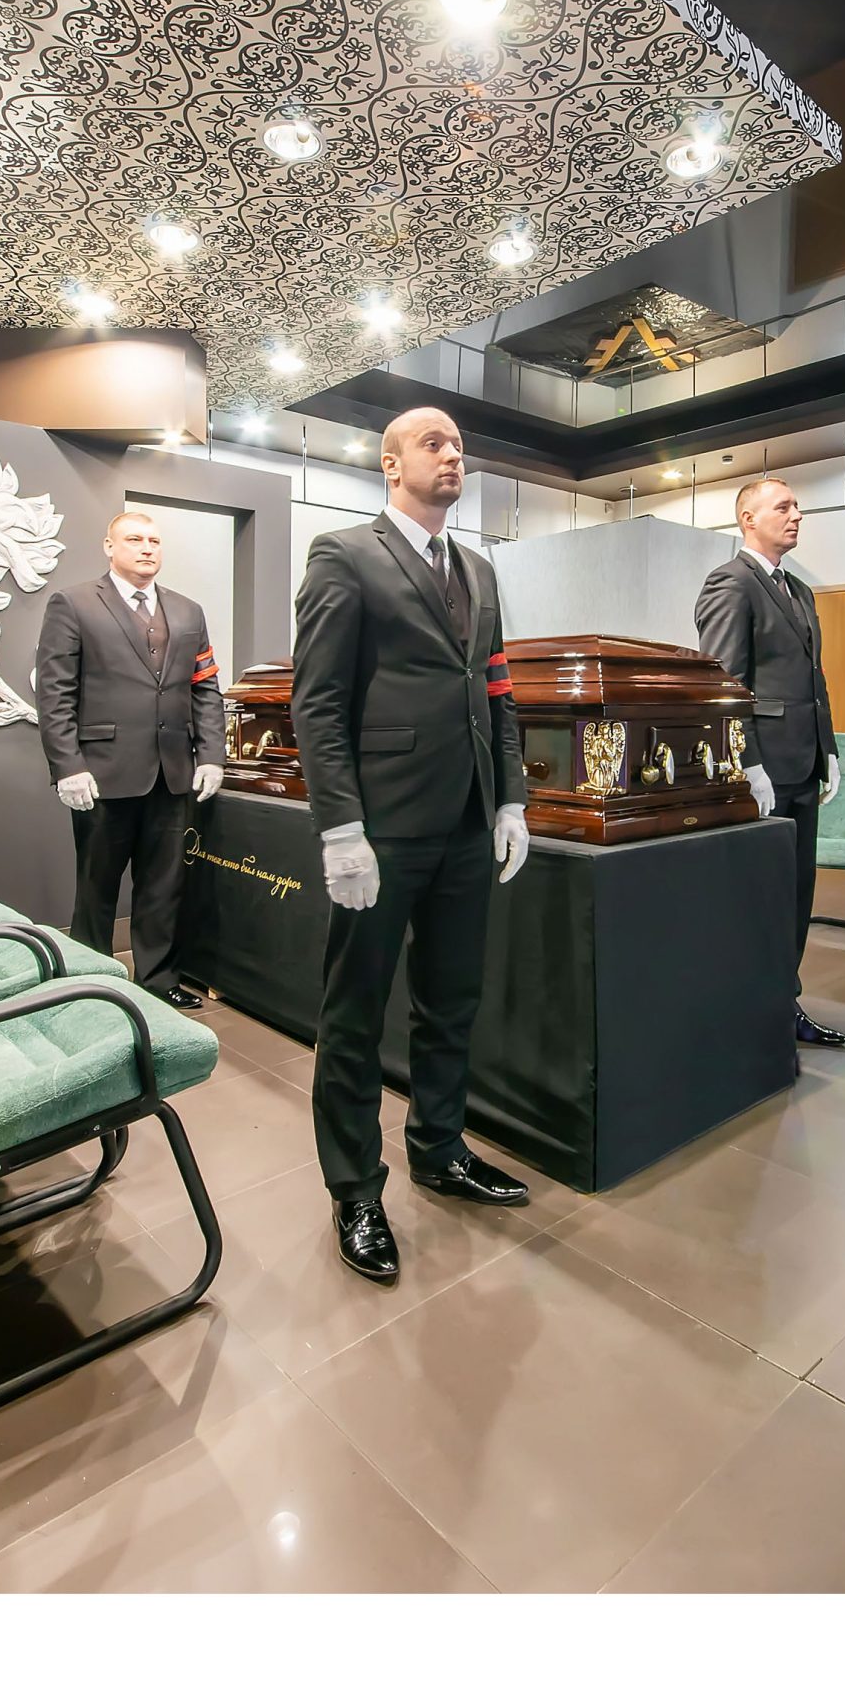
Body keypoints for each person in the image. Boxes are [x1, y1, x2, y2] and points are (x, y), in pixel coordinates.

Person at [293, 406, 531, 1284]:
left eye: (459, 445)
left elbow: (497, 689)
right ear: (391, 464)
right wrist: (340, 827)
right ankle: (355, 1188)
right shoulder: (343, 555)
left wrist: (512, 799)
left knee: (451, 1000)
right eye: (434, 444)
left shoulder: (479, 570)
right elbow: (318, 701)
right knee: (355, 1012)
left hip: (468, 821)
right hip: (382, 826)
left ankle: (439, 1147)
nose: (453, 454)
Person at [33, 508, 226, 1009]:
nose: (146, 548)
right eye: (135, 539)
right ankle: (91, 986)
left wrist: (211, 754)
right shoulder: (73, 604)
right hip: (101, 773)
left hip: (173, 772)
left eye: (154, 541)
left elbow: (206, 689)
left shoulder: (188, 611)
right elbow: (54, 693)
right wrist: (67, 766)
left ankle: (158, 981)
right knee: (96, 887)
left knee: (164, 885)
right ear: (109, 546)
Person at [694, 476, 845, 1049]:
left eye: (798, 506)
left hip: (804, 764)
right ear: (748, 519)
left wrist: (830, 747)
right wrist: (748, 763)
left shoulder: (800, 590)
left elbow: (813, 679)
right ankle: (747, 1012)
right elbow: (724, 685)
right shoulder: (730, 583)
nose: (797, 514)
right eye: (783, 506)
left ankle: (784, 1003)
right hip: (763, 772)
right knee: (759, 898)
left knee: (797, 894)